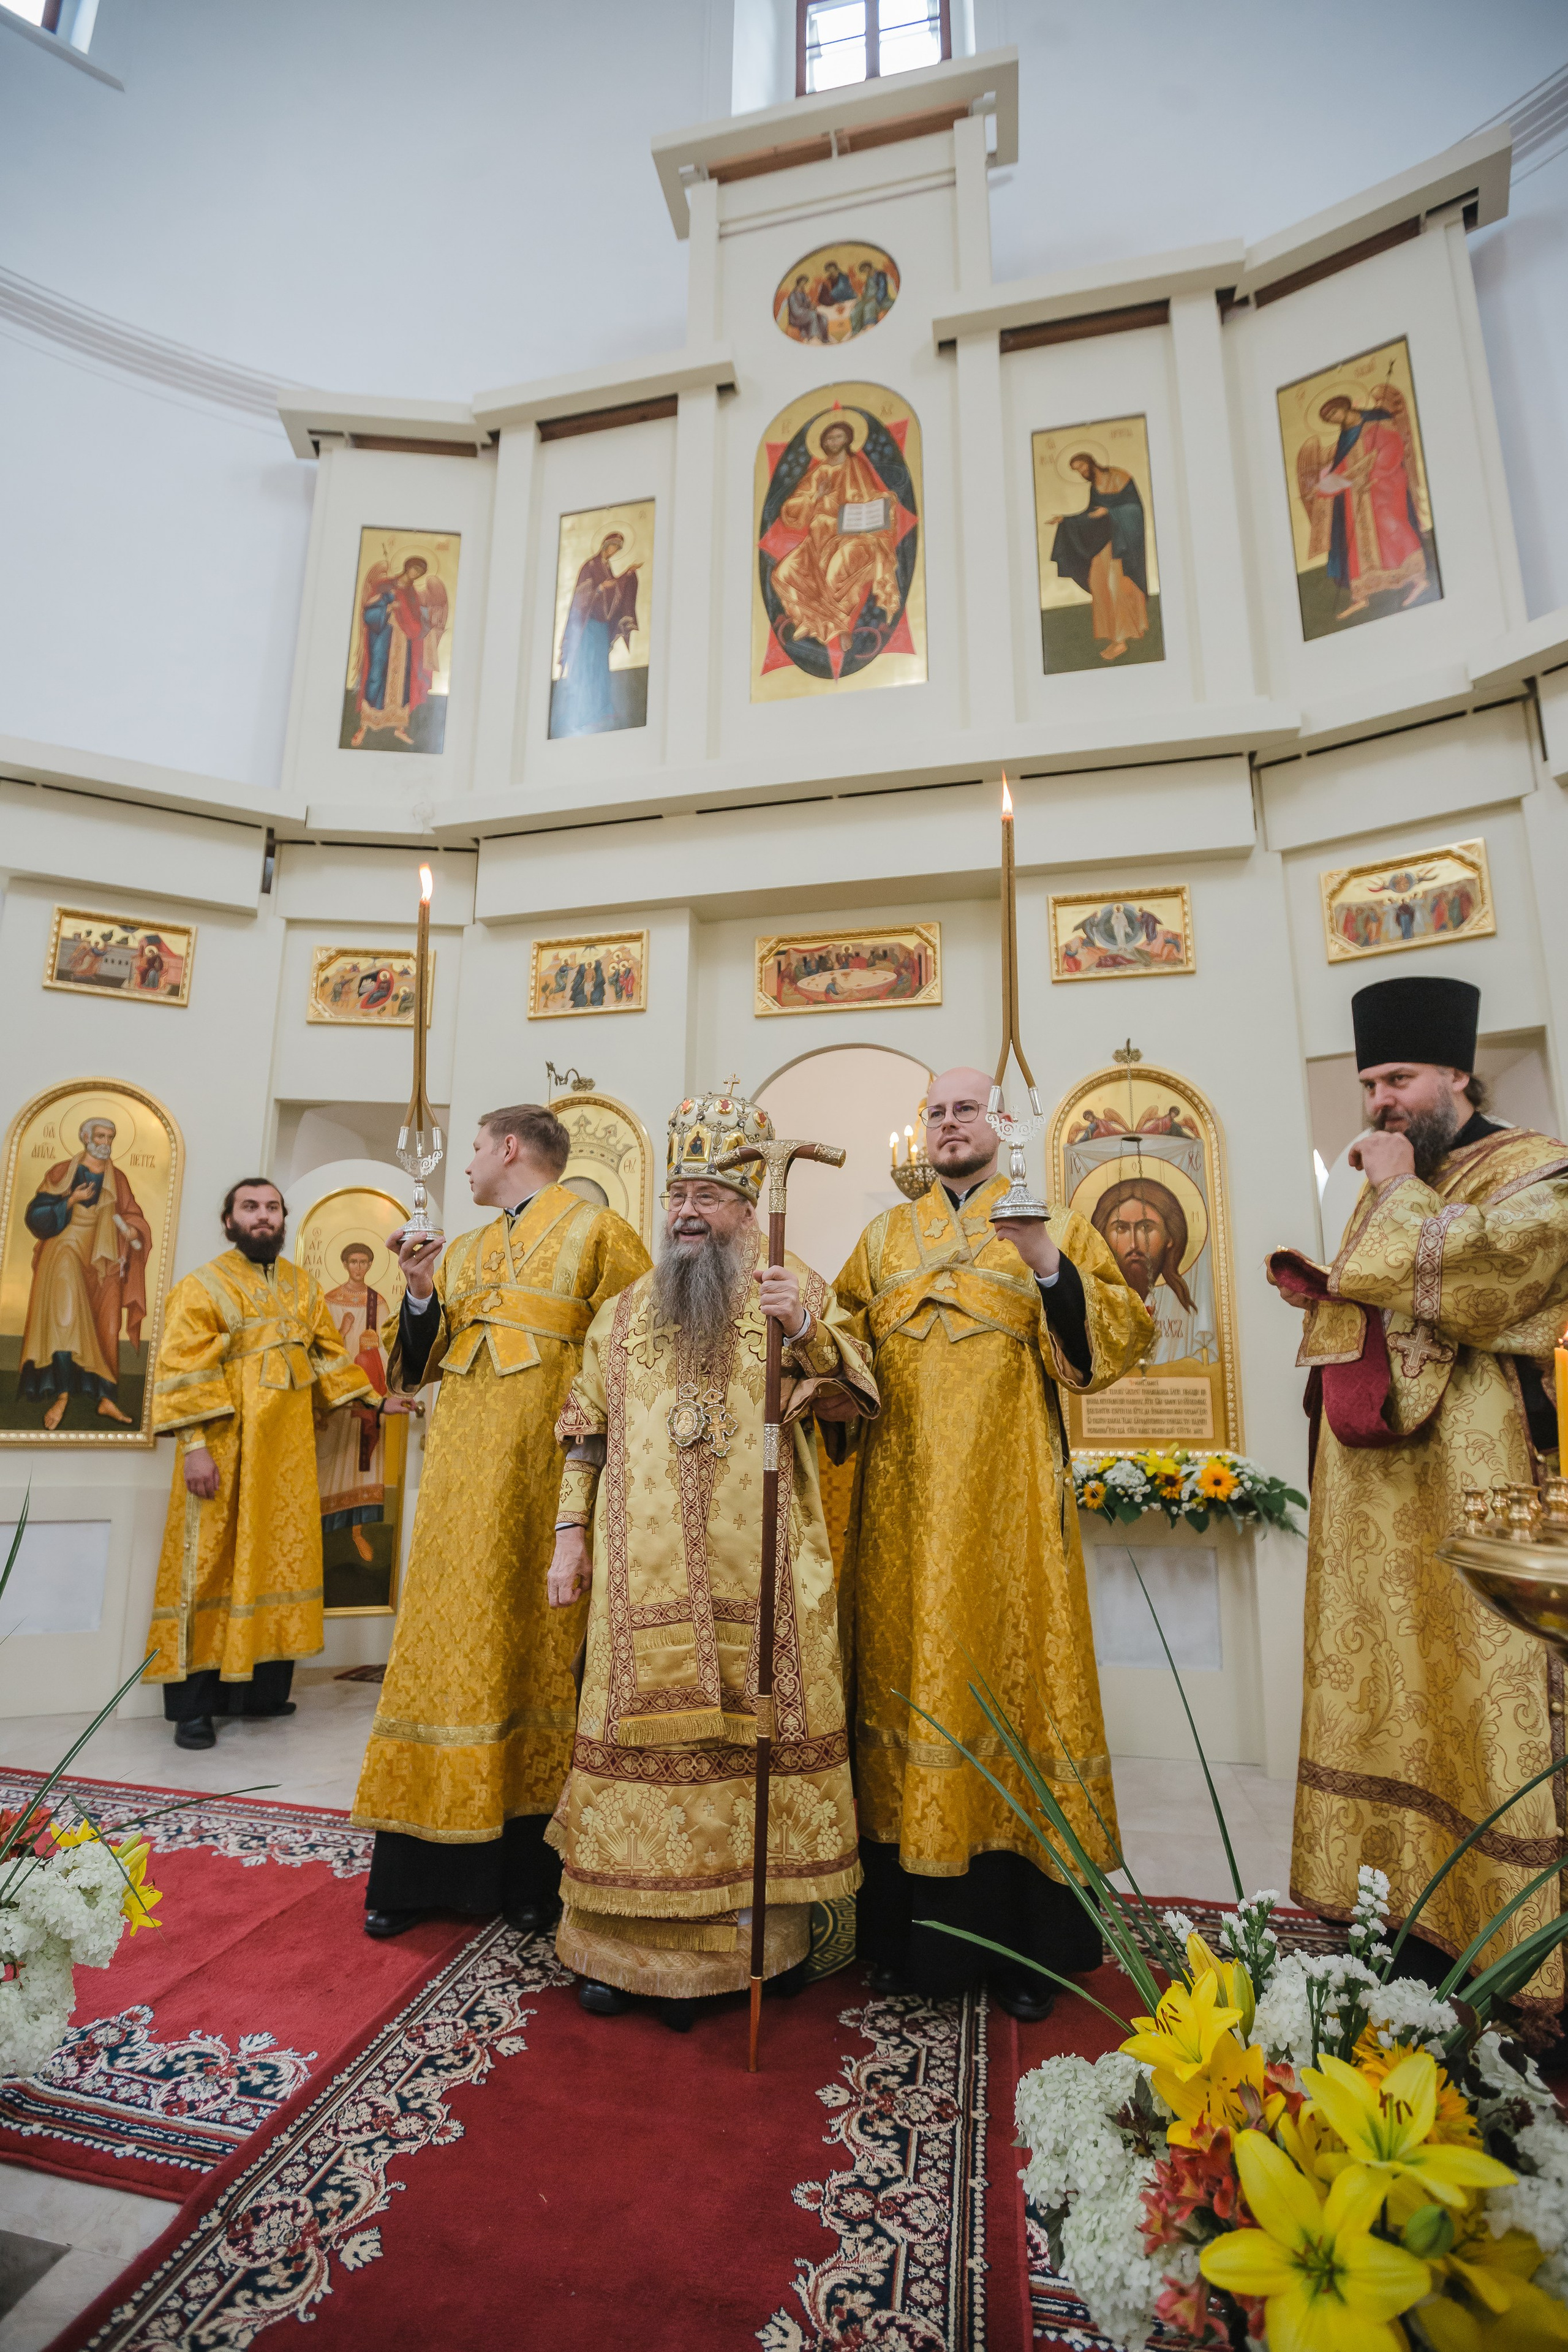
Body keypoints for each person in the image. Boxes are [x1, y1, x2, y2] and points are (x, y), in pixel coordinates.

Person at [545, 1084, 876, 2028]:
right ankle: (616, 1950)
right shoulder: (620, 1313)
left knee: (750, 1743)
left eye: (709, 1197)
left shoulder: (791, 1284)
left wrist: (810, 1332)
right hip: (635, 1582)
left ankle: (748, 1948)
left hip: (763, 1575)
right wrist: (569, 1535)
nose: (687, 1213)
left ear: (744, 1207)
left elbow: (861, 1401)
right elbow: (584, 1431)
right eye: (677, 1197)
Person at [1270, 976, 1568, 2027]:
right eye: (1367, 1085)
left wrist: (1394, 1202)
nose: (1380, 1104)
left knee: (1479, 1706)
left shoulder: (1540, 1171)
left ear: (1457, 1075)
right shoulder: (1397, 1182)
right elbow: (1370, 1301)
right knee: (1395, 1696)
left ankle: (1516, 1972)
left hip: (1478, 1495)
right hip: (1379, 1504)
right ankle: (1405, 1938)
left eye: (1398, 1080)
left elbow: (1494, 1282)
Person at [832, 1068, 1153, 2019]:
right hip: (898, 1518)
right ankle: (903, 1941)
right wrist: (810, 1340)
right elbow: (841, 1356)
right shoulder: (884, 1237)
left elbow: (1113, 1345)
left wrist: (1049, 1263)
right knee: (902, 1687)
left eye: (963, 1110)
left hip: (1009, 1515)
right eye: (933, 1114)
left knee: (1013, 1691)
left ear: (1000, 1125)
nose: (945, 1126)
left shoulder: (1048, 1220)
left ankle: (1029, 1948)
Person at [353, 1104, 649, 1940]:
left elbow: (634, 1352)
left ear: (510, 1148)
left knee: (536, 1655)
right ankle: (417, 1874)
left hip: (547, 1484)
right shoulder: (466, 1250)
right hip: (457, 1491)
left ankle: (529, 1874)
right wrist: (416, 1293)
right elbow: (415, 1366)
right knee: (442, 1654)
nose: (471, 1165)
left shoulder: (600, 1232)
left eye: (477, 1149)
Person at [145, 1180, 386, 1750]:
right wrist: (195, 1447)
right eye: (250, 1208)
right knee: (211, 1565)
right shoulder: (201, 1287)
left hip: (287, 1456)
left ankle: (260, 1695)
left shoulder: (303, 1287)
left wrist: (376, 1399)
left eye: (272, 1208)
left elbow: (330, 1357)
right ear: (229, 1220)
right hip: (225, 1453)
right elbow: (183, 1374)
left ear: (284, 1221)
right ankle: (194, 1709)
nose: (262, 1217)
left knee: (277, 1563)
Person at [20, 1117, 152, 1431]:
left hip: (103, 1253)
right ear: (85, 1137)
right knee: (66, 1316)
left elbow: (132, 1215)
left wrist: (133, 1229)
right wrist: (71, 1200)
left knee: (107, 1322)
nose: (106, 1143)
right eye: (101, 1136)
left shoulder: (117, 1179)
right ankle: (63, 1394)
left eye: (111, 1137)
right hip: (65, 1247)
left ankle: (106, 1398)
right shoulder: (61, 1172)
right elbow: (36, 1216)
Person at [766, 416, 902, 660]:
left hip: (852, 535)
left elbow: (871, 499)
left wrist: (885, 503)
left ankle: (839, 628)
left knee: (836, 571)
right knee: (784, 573)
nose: (834, 441)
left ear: (848, 439)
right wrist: (814, 496)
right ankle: (814, 621)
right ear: (822, 442)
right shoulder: (819, 472)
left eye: (838, 436)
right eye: (829, 438)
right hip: (818, 539)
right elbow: (791, 512)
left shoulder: (857, 468)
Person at [1309, 390, 1430, 617]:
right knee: (1354, 540)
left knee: (1393, 527)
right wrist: (1327, 484)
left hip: (1385, 484)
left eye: (1334, 413)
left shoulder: (1377, 418)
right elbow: (1345, 465)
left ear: (1345, 406)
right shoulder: (1344, 437)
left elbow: (1393, 447)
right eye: (1329, 419)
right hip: (1357, 495)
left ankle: (1419, 580)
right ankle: (1361, 596)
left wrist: (1375, 476)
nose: (1334, 419)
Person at [315, 1243, 392, 1567]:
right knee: (327, 1459)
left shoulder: (379, 1303)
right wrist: (345, 1334)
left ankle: (357, 1532)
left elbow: (390, 1348)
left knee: (363, 1465)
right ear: (344, 1264)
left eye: (364, 1262)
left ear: (371, 1265)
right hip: (335, 1399)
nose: (358, 1267)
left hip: (369, 1394)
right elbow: (319, 1348)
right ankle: (317, 1532)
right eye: (353, 1262)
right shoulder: (328, 1301)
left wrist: (376, 1347)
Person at [1042, 453, 1152, 661]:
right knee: (1098, 582)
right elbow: (1091, 515)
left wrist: (1110, 511)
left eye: (1082, 467)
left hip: (1122, 543)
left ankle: (1120, 641)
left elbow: (1135, 508)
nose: (1082, 473)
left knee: (1116, 586)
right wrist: (1066, 520)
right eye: (1078, 471)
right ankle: (1125, 631)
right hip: (1104, 542)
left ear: (1091, 462)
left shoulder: (1120, 477)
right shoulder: (1095, 488)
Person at [1090, 1176, 1198, 1364]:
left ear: (1170, 1236)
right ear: (1103, 1237)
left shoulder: (1184, 1309)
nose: (1134, 1243)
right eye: (1121, 1228)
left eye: (1146, 1228)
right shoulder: (1091, 1303)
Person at [349, 556, 447, 746]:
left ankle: (399, 727)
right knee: (377, 675)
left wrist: (427, 627)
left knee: (402, 679)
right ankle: (365, 726)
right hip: (382, 636)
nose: (415, 574)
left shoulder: (412, 594)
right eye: (414, 569)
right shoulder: (384, 585)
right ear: (407, 567)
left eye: (419, 572)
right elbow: (367, 613)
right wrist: (387, 606)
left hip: (403, 641)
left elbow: (417, 618)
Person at [552, 533, 642, 737]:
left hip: (601, 627)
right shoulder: (590, 566)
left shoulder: (607, 568)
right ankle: (584, 713)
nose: (615, 552)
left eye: (618, 549)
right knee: (588, 665)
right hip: (588, 626)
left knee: (601, 666)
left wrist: (628, 574)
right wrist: (601, 588)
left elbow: (615, 588)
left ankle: (602, 710)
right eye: (614, 548)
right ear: (605, 545)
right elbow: (581, 597)